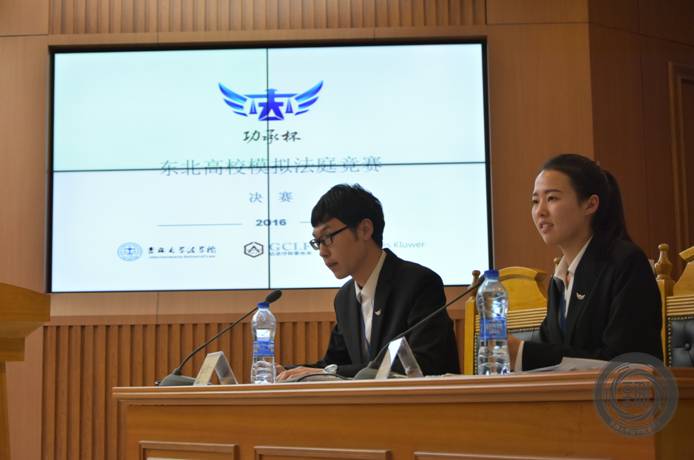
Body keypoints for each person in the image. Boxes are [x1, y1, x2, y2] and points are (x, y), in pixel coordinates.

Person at [277, 184, 459, 380]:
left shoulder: (418, 283)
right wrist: (285, 371)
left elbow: (424, 364)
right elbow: (334, 365)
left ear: (365, 229)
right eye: (317, 242)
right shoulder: (345, 298)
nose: (322, 251)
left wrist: (330, 371)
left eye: (328, 237)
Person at [508, 154, 663, 371]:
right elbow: (552, 349)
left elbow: (625, 361)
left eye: (552, 198)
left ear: (590, 204)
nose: (540, 211)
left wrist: (523, 354)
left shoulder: (626, 263)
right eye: (535, 201)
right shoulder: (560, 278)